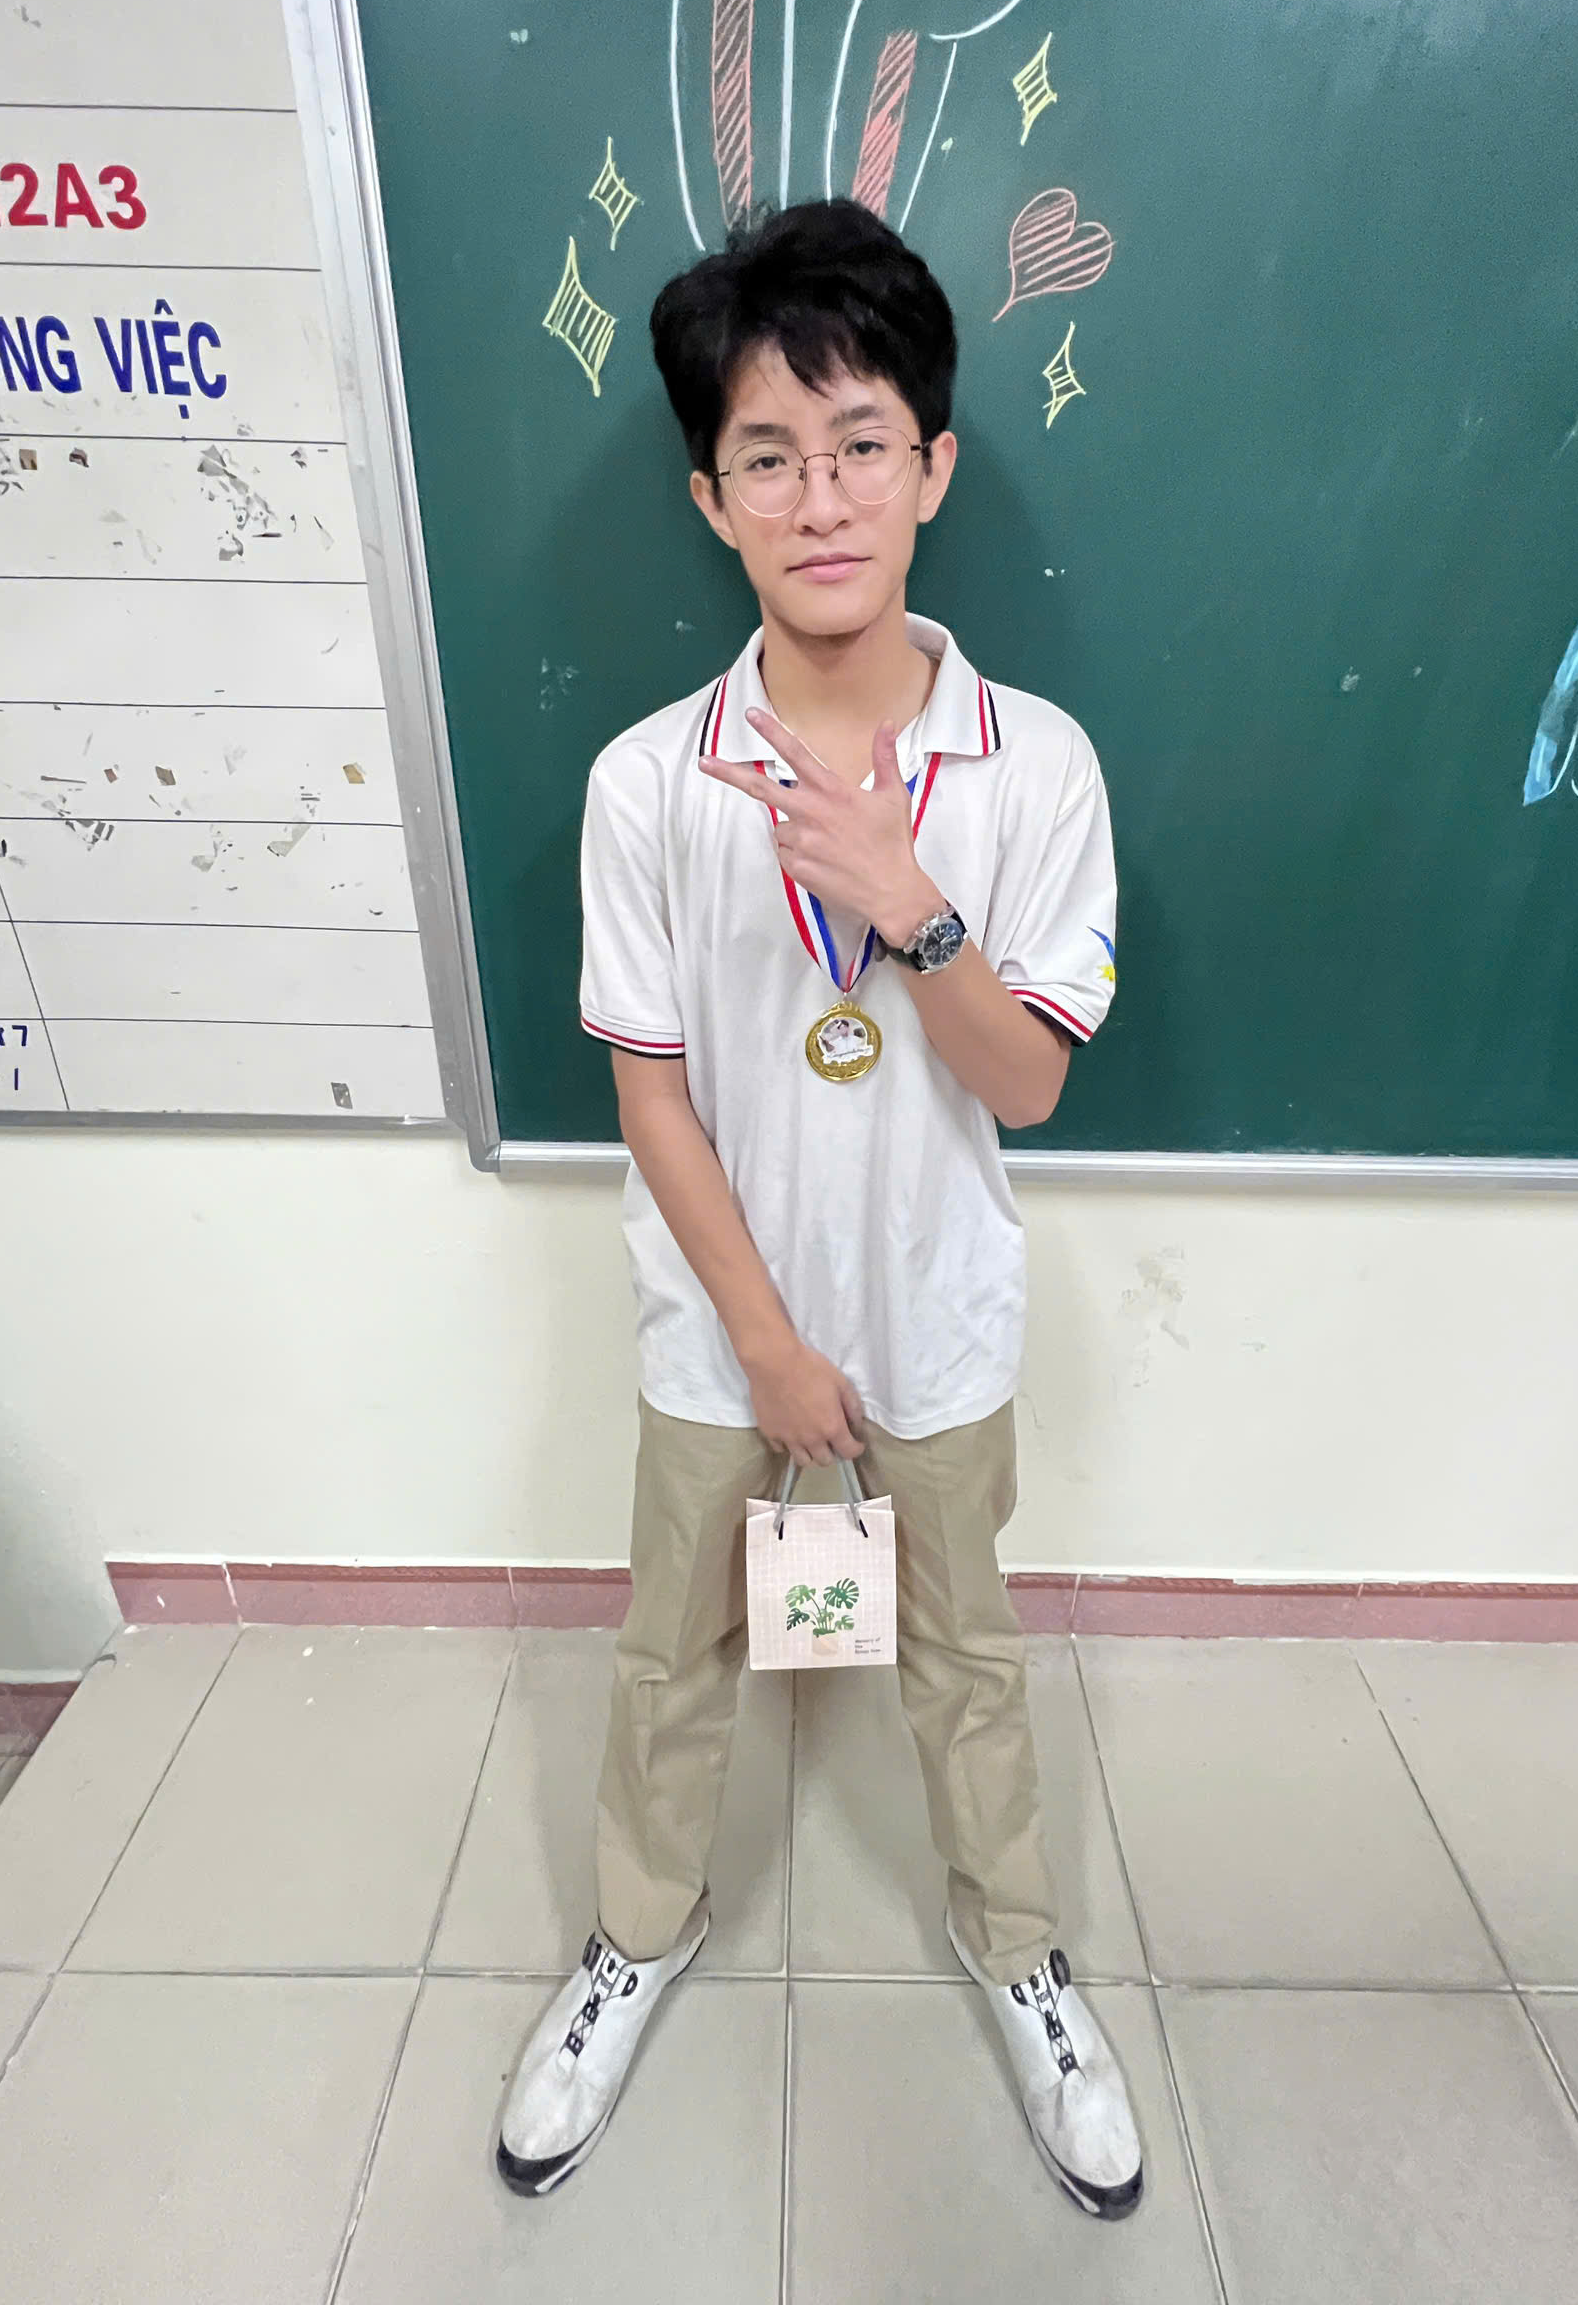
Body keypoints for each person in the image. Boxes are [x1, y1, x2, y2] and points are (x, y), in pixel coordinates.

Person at [496, 200, 1140, 2220]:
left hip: (938, 1311)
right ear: (712, 501)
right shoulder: (648, 781)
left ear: (933, 464)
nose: (821, 495)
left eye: (861, 442)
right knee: (672, 1651)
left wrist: (909, 902)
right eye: (767, 456)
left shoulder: (1033, 765)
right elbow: (651, 1089)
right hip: (722, 1329)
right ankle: (637, 1935)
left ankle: (1018, 1952)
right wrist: (769, 1346)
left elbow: (1027, 1080)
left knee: (964, 1653)